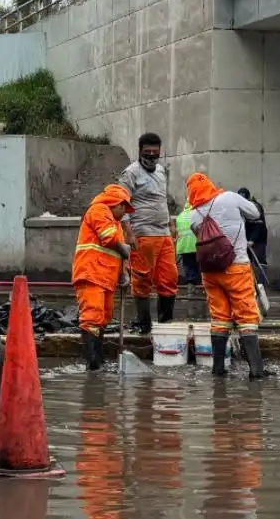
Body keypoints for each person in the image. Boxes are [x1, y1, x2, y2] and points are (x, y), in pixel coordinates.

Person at [186, 171, 266, 380]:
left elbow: (204, 239)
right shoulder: (230, 197)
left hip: (210, 274)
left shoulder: (193, 216)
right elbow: (255, 214)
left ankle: (219, 369)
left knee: (220, 318)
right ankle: (256, 371)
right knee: (247, 318)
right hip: (236, 267)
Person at [117, 133, 175, 335]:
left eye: (155, 153)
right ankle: (144, 325)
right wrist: (129, 234)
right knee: (142, 281)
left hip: (164, 234)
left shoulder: (160, 170)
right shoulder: (130, 173)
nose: (151, 156)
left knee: (169, 279)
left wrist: (171, 223)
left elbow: (162, 199)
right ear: (139, 151)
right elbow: (120, 204)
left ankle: (166, 326)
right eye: (147, 152)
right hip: (142, 234)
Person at [71, 183, 133, 371]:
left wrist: (124, 273)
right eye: (123, 208)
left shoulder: (116, 224)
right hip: (91, 274)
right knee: (92, 317)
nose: (124, 213)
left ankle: (99, 362)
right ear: (116, 203)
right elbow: (109, 239)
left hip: (106, 278)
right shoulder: (98, 210)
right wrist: (126, 250)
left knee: (103, 318)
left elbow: (117, 254)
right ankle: (93, 364)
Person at [236, 187, 269, 267]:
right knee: (247, 261)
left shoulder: (254, 207)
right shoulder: (242, 206)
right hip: (248, 236)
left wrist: (252, 240)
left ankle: (261, 278)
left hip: (259, 237)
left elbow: (259, 225)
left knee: (259, 260)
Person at [175, 199, 200, 291]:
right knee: (195, 264)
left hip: (183, 246)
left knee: (187, 265)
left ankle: (190, 285)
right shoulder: (195, 215)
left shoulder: (180, 216)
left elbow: (177, 232)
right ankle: (194, 284)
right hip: (194, 244)